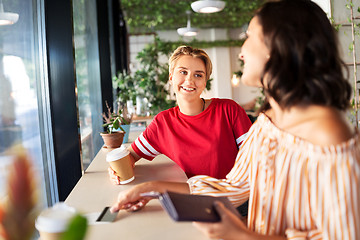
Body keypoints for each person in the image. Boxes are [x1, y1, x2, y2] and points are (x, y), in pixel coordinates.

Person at [111, 0, 360, 238]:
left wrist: (242, 236)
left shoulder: (330, 135)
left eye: (249, 36)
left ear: (279, 47)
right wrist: (152, 188)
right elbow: (233, 187)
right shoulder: (269, 121)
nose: (241, 52)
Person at [109, 46, 252, 184]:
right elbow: (130, 156)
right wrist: (115, 170)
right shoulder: (162, 123)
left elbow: (255, 158)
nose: (189, 80)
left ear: (204, 82)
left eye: (198, 75)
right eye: (183, 72)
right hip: (189, 202)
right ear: (171, 77)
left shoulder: (228, 110)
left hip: (233, 201)